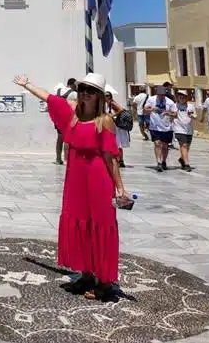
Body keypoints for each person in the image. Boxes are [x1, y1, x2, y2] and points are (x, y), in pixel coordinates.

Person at [15, 72, 129, 302]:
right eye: (83, 90)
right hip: (75, 175)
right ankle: (87, 274)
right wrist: (28, 84)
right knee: (79, 219)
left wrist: (120, 188)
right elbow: (49, 98)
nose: (85, 94)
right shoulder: (73, 113)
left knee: (100, 223)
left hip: (97, 176)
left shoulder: (104, 121)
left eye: (90, 91)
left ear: (99, 96)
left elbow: (111, 157)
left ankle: (104, 282)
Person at [144, 86, 177, 172]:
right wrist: (152, 109)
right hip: (155, 126)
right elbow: (145, 109)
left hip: (167, 127)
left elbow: (175, 114)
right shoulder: (151, 100)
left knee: (165, 146)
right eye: (159, 94)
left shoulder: (170, 102)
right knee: (157, 143)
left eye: (162, 95)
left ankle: (163, 161)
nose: (161, 96)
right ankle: (158, 162)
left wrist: (168, 113)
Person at [105, 86, 131, 168]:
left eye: (107, 95)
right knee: (116, 144)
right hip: (113, 126)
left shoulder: (112, 103)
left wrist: (113, 115)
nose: (106, 97)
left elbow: (121, 109)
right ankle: (119, 159)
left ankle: (121, 160)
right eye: (105, 95)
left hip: (117, 127)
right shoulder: (107, 104)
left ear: (110, 96)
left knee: (118, 143)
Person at [54, 78, 78, 164]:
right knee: (67, 139)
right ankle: (66, 160)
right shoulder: (74, 93)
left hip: (57, 118)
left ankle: (58, 158)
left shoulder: (58, 91)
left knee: (60, 137)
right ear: (73, 84)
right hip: (68, 118)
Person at [173, 89, 196, 171]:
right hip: (179, 129)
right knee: (184, 145)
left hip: (189, 130)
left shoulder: (190, 106)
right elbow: (173, 114)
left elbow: (195, 117)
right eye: (180, 97)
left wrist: (191, 116)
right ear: (177, 98)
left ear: (186, 98)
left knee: (187, 147)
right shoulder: (174, 106)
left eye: (183, 97)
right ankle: (187, 164)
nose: (182, 99)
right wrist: (172, 114)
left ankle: (182, 159)